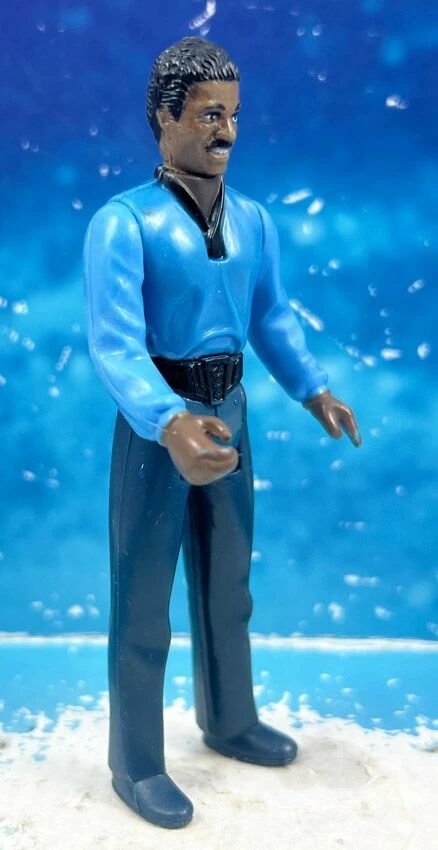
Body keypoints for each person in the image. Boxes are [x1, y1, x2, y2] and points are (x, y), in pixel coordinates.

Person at [83, 36, 361, 830]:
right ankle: (135, 762)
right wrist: (166, 419)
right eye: (209, 115)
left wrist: (313, 388)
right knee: (144, 601)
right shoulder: (123, 224)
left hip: (229, 410)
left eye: (234, 115)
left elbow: (271, 316)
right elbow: (114, 345)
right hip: (159, 428)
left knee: (226, 584)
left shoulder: (254, 221)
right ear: (164, 118)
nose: (227, 132)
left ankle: (230, 718)